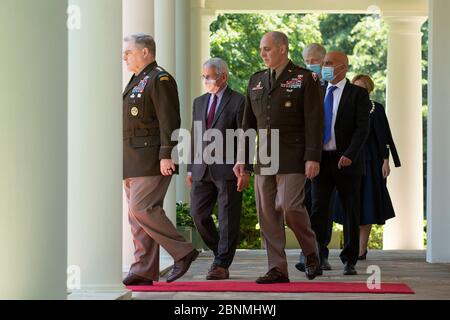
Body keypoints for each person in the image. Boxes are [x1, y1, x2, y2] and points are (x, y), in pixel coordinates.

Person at [234, 31, 324, 283]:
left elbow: (315, 121)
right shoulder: (256, 81)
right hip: (264, 157)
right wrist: (242, 159)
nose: (263, 54)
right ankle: (277, 268)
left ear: (283, 49)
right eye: (261, 49)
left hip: (295, 155)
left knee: (289, 206)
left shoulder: (306, 78)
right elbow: (247, 125)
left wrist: (313, 157)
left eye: (267, 49)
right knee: (267, 214)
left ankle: (310, 252)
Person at [122, 33, 199, 286]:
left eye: (129, 52)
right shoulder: (137, 79)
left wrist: (167, 155)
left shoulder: (159, 78)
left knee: (142, 209)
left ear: (145, 52)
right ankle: (143, 269)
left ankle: (183, 251)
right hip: (133, 159)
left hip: (152, 158)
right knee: (136, 218)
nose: (125, 56)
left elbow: (170, 120)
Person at [309, 51, 371, 276]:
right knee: (318, 210)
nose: (323, 66)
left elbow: (362, 128)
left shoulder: (357, 95)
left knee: (350, 210)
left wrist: (350, 153)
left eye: (329, 64)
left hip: (347, 161)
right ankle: (317, 255)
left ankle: (350, 259)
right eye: (323, 62)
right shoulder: (316, 92)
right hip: (321, 161)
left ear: (343, 67)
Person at [186, 58, 246, 280]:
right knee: (198, 214)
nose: (205, 80)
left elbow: (245, 137)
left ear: (223, 77)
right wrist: (191, 168)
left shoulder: (239, 101)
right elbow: (195, 136)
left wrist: (244, 167)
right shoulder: (199, 102)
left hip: (228, 168)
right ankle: (220, 251)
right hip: (201, 168)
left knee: (228, 217)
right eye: (203, 76)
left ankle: (221, 264)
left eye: (209, 76)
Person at [331, 74, 401, 260]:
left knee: (367, 206)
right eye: (355, 87)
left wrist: (386, 160)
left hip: (370, 162)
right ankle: (350, 248)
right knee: (349, 205)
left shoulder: (375, 108)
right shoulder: (345, 106)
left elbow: (384, 136)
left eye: (362, 87)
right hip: (348, 160)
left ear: (369, 89)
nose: (358, 91)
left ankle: (361, 249)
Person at [296, 43, 334, 272]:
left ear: (323, 61)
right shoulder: (300, 84)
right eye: (307, 60)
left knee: (322, 206)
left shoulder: (331, 86)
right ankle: (308, 252)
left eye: (315, 60)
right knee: (304, 204)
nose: (311, 64)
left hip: (327, 154)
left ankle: (321, 251)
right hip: (303, 154)